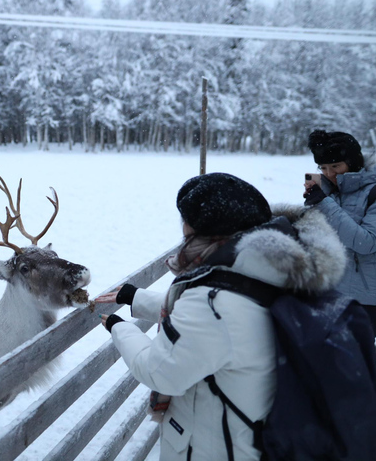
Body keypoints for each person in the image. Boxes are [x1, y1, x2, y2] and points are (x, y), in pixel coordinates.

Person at [96, 173, 347, 461]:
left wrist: (120, 329)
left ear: (201, 228)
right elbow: (215, 321)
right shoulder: (265, 271)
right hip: (253, 437)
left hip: (217, 447)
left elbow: (160, 371)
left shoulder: (213, 301)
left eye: (185, 219)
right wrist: (135, 298)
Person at [303, 130, 376, 336]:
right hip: (322, 296)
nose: (329, 173)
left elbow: (366, 243)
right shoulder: (327, 193)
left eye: (336, 166)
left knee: (351, 365)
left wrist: (323, 203)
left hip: (361, 302)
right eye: (323, 167)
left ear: (353, 162)